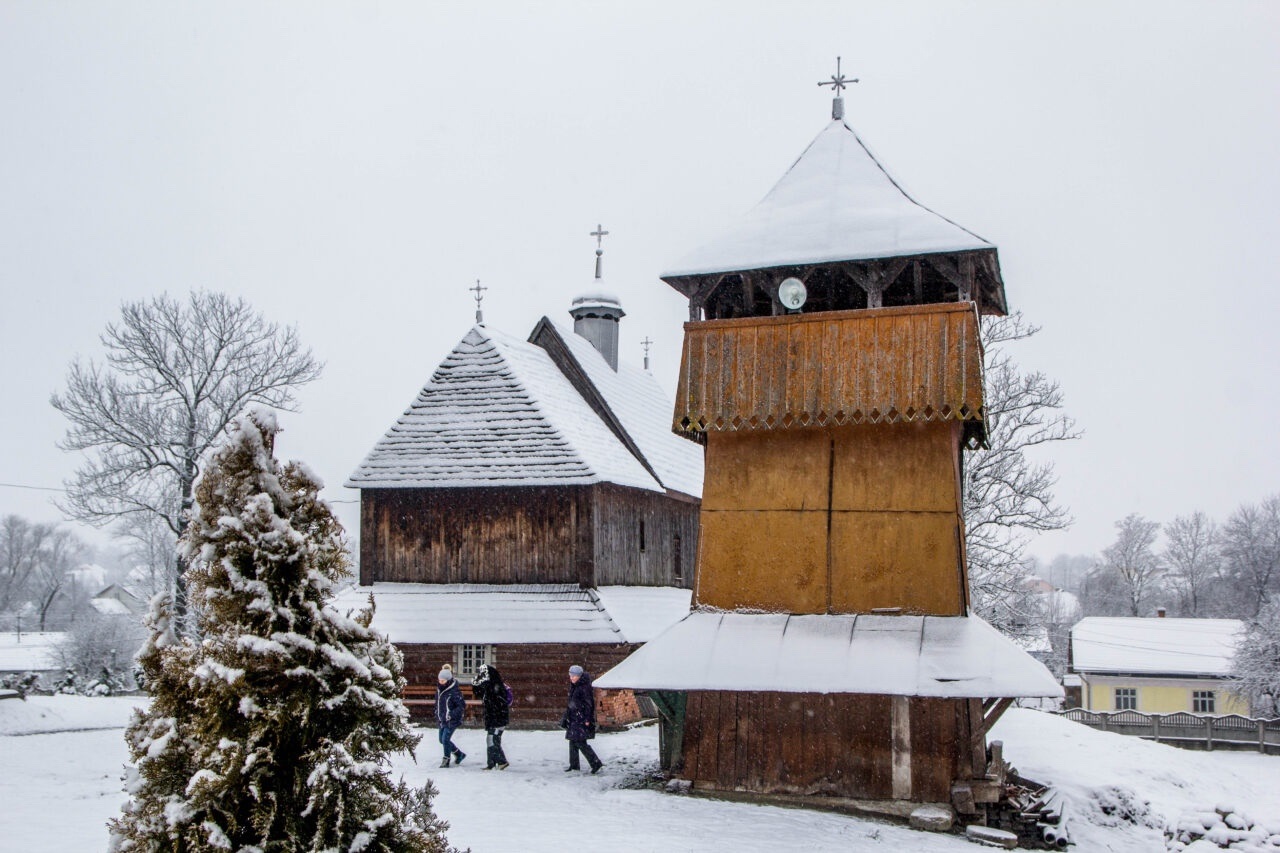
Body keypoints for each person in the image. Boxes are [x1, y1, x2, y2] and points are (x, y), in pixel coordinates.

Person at [561, 664, 603, 774]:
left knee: (580, 742)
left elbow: (589, 704)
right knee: (573, 742)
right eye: (570, 675)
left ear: (579, 676)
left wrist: (587, 719)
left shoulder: (584, 687)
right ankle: (574, 766)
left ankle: (596, 763)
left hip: (581, 718)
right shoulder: (575, 686)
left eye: (574, 676)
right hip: (574, 718)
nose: (572, 677)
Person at [472, 663, 511, 770]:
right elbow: (478, 692)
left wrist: (494, 713)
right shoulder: (490, 685)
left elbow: (498, 704)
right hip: (493, 719)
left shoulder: (496, 687)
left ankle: (501, 761)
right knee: (491, 740)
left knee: (492, 740)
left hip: (498, 719)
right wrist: (476, 683)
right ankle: (491, 764)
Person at [435, 664, 466, 768]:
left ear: (448, 680)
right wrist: (437, 713)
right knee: (441, 740)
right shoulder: (439, 689)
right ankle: (459, 754)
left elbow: (461, 706)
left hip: (452, 720)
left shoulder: (454, 691)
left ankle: (446, 759)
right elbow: (438, 703)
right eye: (440, 680)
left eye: (443, 681)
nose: (441, 682)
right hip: (442, 719)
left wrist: (450, 714)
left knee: (445, 739)